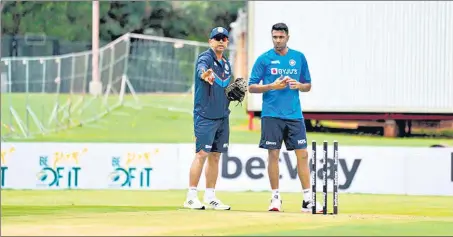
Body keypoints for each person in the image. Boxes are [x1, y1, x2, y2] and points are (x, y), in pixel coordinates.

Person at [248, 22, 322, 213]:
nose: (278, 40)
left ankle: (308, 199)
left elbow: (308, 85)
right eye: (275, 37)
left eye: (281, 37)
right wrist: (272, 86)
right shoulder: (264, 59)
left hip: (294, 115)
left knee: (303, 154)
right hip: (271, 114)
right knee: (273, 154)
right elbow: (251, 86)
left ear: (288, 37)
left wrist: (299, 85)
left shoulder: (298, 57)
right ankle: (275, 198)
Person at [183, 27, 233, 211]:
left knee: (215, 156)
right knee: (202, 154)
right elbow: (202, 70)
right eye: (217, 38)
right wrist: (204, 74)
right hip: (205, 115)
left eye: (224, 38)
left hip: (222, 116)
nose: (220, 41)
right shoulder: (206, 57)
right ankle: (191, 196)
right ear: (210, 41)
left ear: (227, 42)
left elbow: (226, 86)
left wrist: (232, 93)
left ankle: (210, 196)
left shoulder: (226, 63)